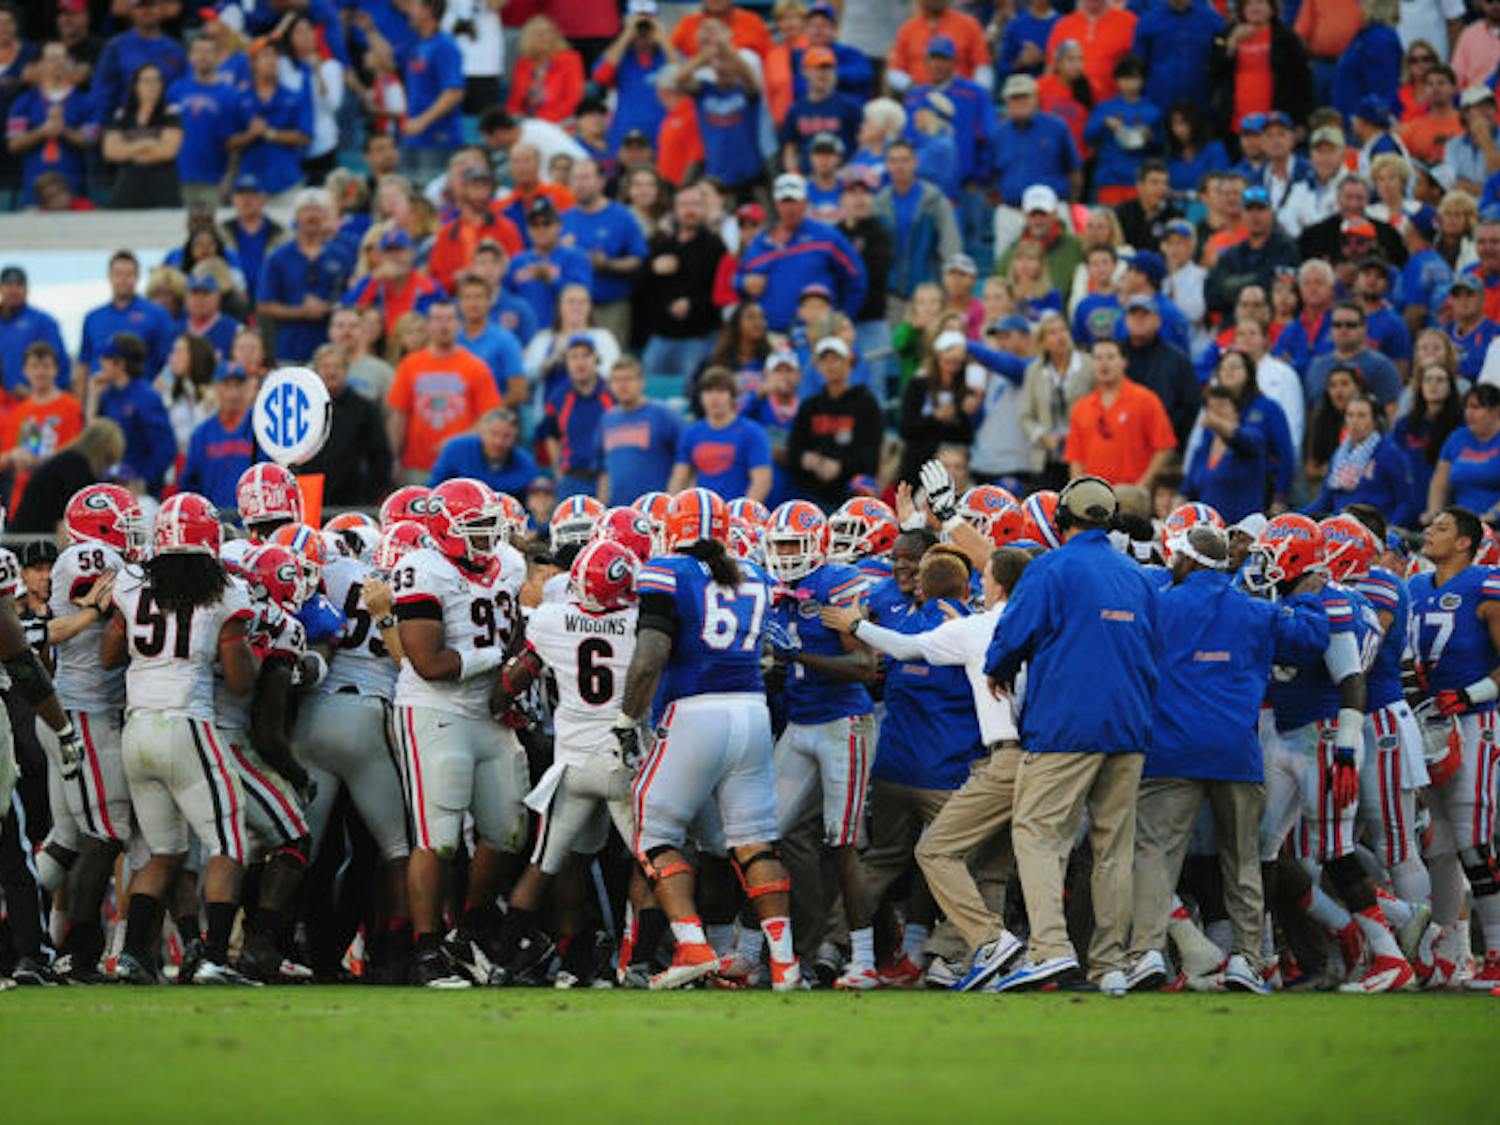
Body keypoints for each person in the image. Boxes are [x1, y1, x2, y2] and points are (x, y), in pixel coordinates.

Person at [1126, 522, 1327, 994]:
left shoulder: (1158, 603)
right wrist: (1306, 593)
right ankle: (1246, 958)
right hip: (1235, 751)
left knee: (1155, 855)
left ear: (1189, 561)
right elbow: (1311, 641)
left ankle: (1150, 951)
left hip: (1170, 749)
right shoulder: (1254, 610)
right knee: (1243, 861)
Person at [984, 476, 1159, 993]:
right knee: (1113, 848)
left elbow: (1013, 633)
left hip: (1065, 725)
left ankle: (1052, 949)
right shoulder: (1138, 574)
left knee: (1037, 833)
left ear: (1062, 520)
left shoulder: (1050, 567)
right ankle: (1110, 964)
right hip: (1128, 724)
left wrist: (998, 665)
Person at [104, 493, 258, 986]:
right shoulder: (227, 591)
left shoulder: (131, 583)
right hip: (186, 723)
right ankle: (213, 955)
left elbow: (110, 655)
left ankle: (132, 955)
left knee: (162, 850)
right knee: (229, 841)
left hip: (137, 726)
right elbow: (238, 681)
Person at [388, 477, 526, 987]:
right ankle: (426, 950)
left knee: (508, 829)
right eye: (476, 527)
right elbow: (427, 662)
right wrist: (497, 660)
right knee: (438, 837)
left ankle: (466, 933)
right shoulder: (422, 568)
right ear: (446, 530)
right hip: (435, 711)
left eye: (492, 526)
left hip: (489, 712)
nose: (488, 536)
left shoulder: (510, 563)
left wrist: (513, 677)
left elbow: (513, 630)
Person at [760, 500, 879, 989]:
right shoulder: (775, 591)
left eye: (794, 545)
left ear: (818, 546)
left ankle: (864, 960)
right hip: (802, 723)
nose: (786, 555)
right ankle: (759, 953)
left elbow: (866, 667)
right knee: (763, 834)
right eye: (779, 545)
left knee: (841, 843)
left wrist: (796, 655)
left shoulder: (837, 585)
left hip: (842, 722)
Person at [1407, 506, 1500, 989]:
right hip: (1429, 723)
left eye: (1441, 527)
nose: (1429, 531)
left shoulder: (1485, 583)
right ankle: (1451, 954)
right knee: (1438, 845)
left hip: (1475, 723)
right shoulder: (1414, 587)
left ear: (1465, 542)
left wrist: (1470, 694)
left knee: (1473, 840)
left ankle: (1498, 953)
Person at [386, 301, 501, 483]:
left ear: (458, 324)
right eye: (438, 319)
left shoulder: (475, 366)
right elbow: (399, 416)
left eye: (449, 319)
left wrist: (456, 443)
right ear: (429, 325)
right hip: (417, 465)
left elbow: (489, 417)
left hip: (463, 466)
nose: (443, 325)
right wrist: (393, 458)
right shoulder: (410, 365)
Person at [738, 174, 867, 333]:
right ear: (775, 204)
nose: (790, 208)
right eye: (785, 202)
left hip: (817, 333)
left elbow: (856, 276)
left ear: (806, 202)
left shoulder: (826, 237)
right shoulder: (760, 241)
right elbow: (737, 277)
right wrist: (743, 282)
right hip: (770, 337)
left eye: (795, 201)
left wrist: (843, 318)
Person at [640, 183, 727, 386]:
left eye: (696, 204)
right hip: (661, 335)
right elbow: (639, 289)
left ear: (705, 208)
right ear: (675, 210)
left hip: (699, 337)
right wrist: (652, 269)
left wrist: (693, 305)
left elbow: (721, 293)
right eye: (684, 204)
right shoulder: (660, 244)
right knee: (649, 393)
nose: (689, 210)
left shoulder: (715, 247)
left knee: (692, 393)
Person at [1065, 336, 1177, 489]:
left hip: (1132, 495)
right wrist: (1078, 492)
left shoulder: (1145, 399)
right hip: (1094, 498)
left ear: (1124, 362)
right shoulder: (1081, 407)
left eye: (1111, 357)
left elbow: (1164, 448)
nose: (1104, 363)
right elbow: (1075, 459)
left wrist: (1142, 486)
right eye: (1098, 358)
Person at [255, 189, 350, 365]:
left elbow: (351, 297)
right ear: (297, 216)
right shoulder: (278, 257)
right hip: (289, 348)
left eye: (317, 210)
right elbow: (264, 305)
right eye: (306, 210)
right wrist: (302, 312)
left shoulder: (341, 256)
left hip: (331, 351)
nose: (312, 216)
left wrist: (329, 308)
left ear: (326, 216)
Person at [786, 337, 884, 508]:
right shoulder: (810, 406)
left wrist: (841, 467)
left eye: (836, 359)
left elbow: (870, 455)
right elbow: (794, 448)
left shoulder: (866, 403)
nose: (831, 365)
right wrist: (806, 459)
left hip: (852, 494)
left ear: (848, 363)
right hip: (812, 494)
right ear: (818, 367)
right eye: (825, 360)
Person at [294, 343, 393, 506]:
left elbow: (380, 456)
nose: (331, 372)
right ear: (316, 370)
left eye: (337, 367)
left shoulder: (364, 408)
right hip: (308, 498)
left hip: (351, 501)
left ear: (346, 371)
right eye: (326, 366)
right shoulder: (302, 408)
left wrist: (367, 495)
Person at [562, 159, 648, 344]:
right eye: (575, 178)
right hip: (572, 308)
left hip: (610, 305)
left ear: (601, 182)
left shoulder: (622, 216)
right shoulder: (563, 218)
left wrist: (607, 264)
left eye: (585, 178)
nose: (579, 184)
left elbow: (638, 259)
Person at [85, 333, 175, 496]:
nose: (101, 362)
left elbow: (165, 447)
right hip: (111, 485)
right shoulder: (108, 395)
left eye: (107, 358)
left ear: (120, 363)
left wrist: (145, 480)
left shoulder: (146, 396)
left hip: (139, 490)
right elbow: (94, 439)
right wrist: (93, 397)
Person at [873, 140, 962, 302]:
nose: (899, 166)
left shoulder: (933, 200)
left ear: (915, 163)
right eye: (893, 161)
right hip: (890, 292)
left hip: (927, 290)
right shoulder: (879, 204)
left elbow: (950, 244)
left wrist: (950, 284)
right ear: (887, 165)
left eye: (904, 160)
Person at [668, 367, 772, 502]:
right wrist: (671, 507)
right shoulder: (692, 433)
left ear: (732, 396)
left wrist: (743, 513)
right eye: (708, 391)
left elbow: (762, 481)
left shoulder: (752, 432)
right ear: (701, 397)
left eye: (721, 391)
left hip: (736, 515)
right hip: (703, 512)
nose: (714, 397)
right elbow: (678, 479)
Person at [9, 420, 124, 536]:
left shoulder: (68, 462)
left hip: (28, 534)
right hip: (34, 539)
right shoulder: (76, 468)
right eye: (108, 460)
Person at [76, 251, 175, 385]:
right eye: (118, 274)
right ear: (110, 276)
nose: (123, 279)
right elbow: (84, 365)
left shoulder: (157, 315)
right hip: (100, 400)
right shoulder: (93, 318)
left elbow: (169, 362)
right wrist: (80, 403)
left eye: (129, 274)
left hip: (141, 400)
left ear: (137, 277)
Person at [536, 335, 616, 499]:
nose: (580, 362)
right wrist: (559, 473)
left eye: (586, 355)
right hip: (572, 479)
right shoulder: (558, 397)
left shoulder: (612, 395)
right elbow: (551, 436)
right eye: (574, 356)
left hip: (610, 476)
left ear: (596, 359)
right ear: (566, 362)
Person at [1204, 185, 1299, 318]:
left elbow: (1273, 289)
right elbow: (1211, 296)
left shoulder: (1285, 248)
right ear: (1242, 215)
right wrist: (1255, 279)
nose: (1255, 216)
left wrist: (1229, 286)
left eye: (1261, 209)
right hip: (1235, 327)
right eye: (1249, 209)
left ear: (1271, 212)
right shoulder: (1233, 253)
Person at [600, 355, 682, 505]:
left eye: (628, 379)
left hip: (655, 510)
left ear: (641, 382)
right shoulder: (608, 419)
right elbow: (604, 469)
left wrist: (672, 500)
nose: (622, 385)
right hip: (619, 513)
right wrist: (602, 505)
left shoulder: (663, 414)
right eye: (617, 380)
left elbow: (685, 461)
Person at [178, 363, 258, 510]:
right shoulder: (202, 434)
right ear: (215, 388)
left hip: (253, 517)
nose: (232, 393)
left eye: (237, 385)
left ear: (247, 387)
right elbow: (189, 485)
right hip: (215, 519)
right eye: (226, 385)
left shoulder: (260, 426)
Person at [1182, 385, 1268, 523]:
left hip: (1240, 530)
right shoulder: (1203, 449)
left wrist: (1217, 423)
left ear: (1237, 410)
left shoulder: (1252, 438)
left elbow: (1239, 438)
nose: (1215, 412)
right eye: (1210, 407)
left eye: (1221, 405)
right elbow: (1186, 491)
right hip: (1210, 533)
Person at [1305, 302, 1404, 419]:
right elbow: (1311, 413)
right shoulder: (1317, 366)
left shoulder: (1382, 366)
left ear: (1364, 328)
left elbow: (1391, 415)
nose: (1343, 329)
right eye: (1337, 325)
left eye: (1351, 325)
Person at [1425, 383, 1500, 523]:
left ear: (1496, 411)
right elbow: (1439, 482)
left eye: (1476, 407)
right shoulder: (1457, 438)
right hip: (1462, 524)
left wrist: (1492, 515)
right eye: (1467, 407)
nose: (1469, 413)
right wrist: (1434, 511)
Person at [430, 407, 536, 498]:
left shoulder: (525, 463)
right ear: (482, 432)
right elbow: (435, 488)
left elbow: (528, 503)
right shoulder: (456, 449)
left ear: (515, 438)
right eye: (494, 434)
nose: (498, 442)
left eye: (506, 436)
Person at [0, 265, 69, 393]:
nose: (14, 290)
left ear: (27, 289)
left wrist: (35, 394)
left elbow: (60, 367)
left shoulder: (43, 322)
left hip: (35, 403)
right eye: (9, 285)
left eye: (19, 285)